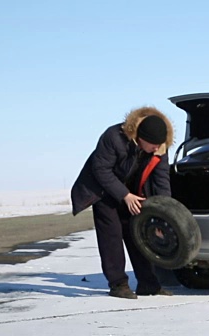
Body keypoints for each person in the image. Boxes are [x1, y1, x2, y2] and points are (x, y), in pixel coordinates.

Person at [71, 106, 174, 299]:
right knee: (112, 237)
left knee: (138, 236)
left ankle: (149, 285)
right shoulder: (113, 137)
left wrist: (163, 216)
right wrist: (124, 195)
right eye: (152, 144)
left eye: (159, 144)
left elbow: (162, 180)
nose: (156, 148)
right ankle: (118, 285)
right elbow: (100, 170)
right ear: (139, 137)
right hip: (103, 191)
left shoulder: (160, 146)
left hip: (134, 193)